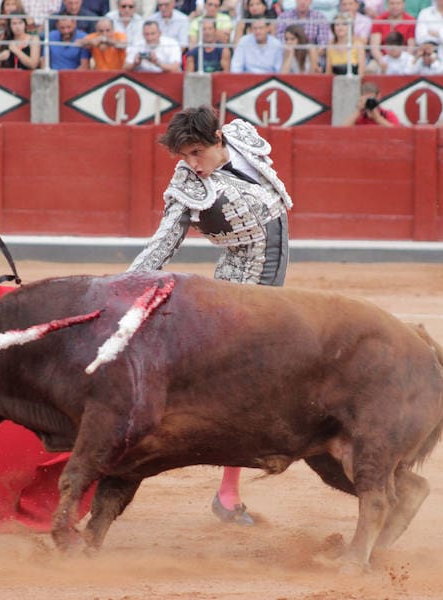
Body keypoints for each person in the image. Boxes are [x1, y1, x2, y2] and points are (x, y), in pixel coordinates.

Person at [127, 106, 293, 527]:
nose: (191, 165)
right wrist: (122, 286)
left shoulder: (241, 137)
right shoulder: (188, 184)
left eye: (196, 153)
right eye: (183, 157)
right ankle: (226, 492)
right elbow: (162, 243)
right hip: (240, 287)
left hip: (270, 284)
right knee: (242, 388)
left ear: (219, 139)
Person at [367, 0, 416, 73]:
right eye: (392, 3)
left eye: (398, 3)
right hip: (382, 58)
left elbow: (411, 46)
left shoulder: (410, 21)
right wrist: (382, 62)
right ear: (387, 5)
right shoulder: (379, 20)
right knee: (370, 69)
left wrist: (404, 61)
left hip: (404, 59)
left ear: (403, 5)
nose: (395, 6)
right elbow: (374, 47)